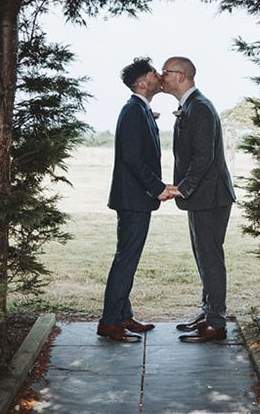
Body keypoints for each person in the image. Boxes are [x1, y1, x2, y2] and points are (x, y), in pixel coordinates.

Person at [97, 57, 179, 342]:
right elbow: (132, 158)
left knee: (127, 257)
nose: (160, 76)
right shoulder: (133, 110)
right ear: (142, 83)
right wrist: (157, 188)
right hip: (133, 199)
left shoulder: (141, 109)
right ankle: (109, 322)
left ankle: (123, 315)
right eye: (154, 73)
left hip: (135, 198)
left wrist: (159, 186)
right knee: (126, 259)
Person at [161, 56, 236, 343]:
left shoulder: (200, 108)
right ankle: (208, 313)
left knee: (211, 259)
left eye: (166, 72)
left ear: (181, 76)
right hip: (202, 198)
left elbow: (204, 158)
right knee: (203, 258)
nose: (161, 76)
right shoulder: (190, 106)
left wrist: (182, 187)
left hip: (210, 197)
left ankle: (216, 323)